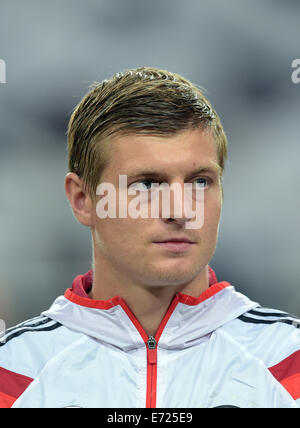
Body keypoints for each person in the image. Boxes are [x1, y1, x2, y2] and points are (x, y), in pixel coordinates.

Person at [0, 67, 299, 408]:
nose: (181, 210)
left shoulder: (289, 360)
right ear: (83, 200)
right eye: (147, 184)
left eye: (200, 181)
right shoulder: (13, 373)